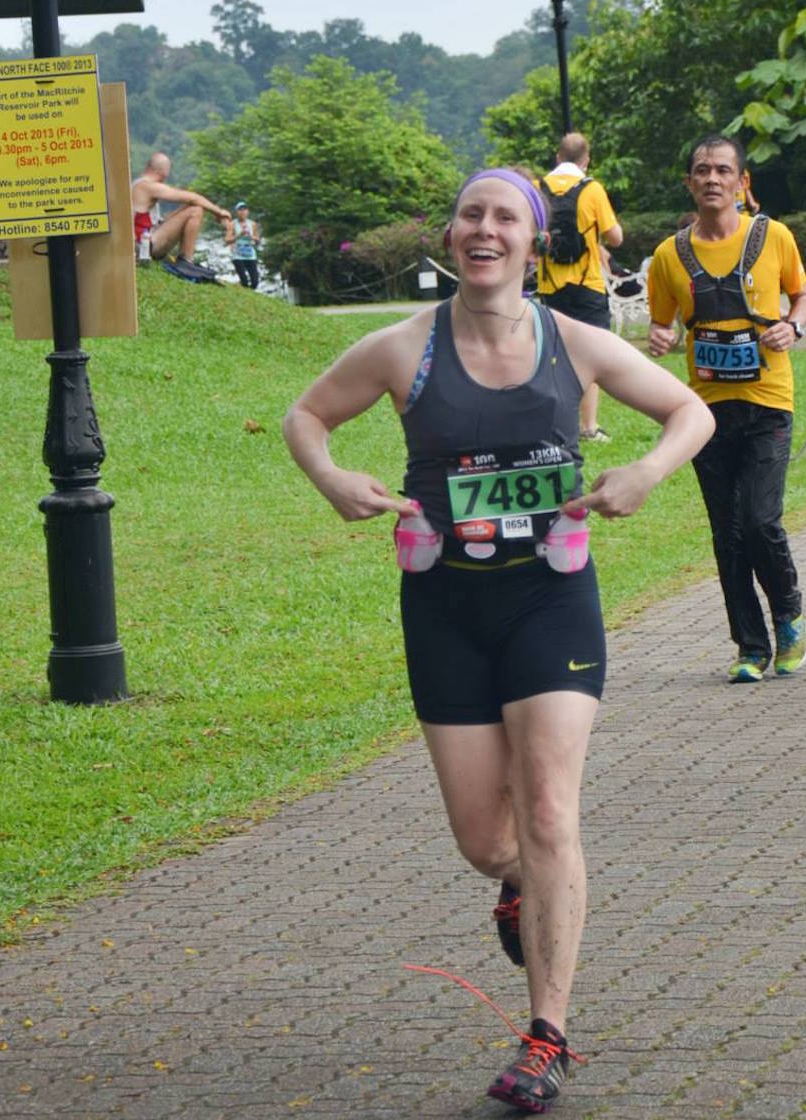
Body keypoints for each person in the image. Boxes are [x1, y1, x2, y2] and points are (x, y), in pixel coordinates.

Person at [283, 168, 713, 1113]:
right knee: (489, 839)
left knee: (553, 811)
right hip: (444, 607)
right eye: (472, 215)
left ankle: (547, 1035)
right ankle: (521, 884)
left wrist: (644, 471)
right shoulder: (404, 350)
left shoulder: (576, 342)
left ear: (535, 239)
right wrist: (332, 477)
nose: (486, 230)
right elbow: (304, 416)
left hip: (549, 602)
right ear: (452, 235)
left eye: (505, 217)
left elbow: (694, 411)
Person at [647, 134, 806, 684]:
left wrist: (794, 326)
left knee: (760, 520)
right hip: (707, 411)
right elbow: (663, 320)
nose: (712, 179)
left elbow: (801, 296)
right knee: (728, 533)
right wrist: (660, 336)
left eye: (723, 170)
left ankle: (789, 613)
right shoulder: (671, 255)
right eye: (702, 171)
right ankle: (750, 647)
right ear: (689, 183)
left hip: (768, 402)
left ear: (742, 182)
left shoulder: (775, 237)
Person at [535, 133, 624, 443]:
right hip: (587, 284)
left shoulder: (539, 188)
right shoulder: (593, 189)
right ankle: (588, 426)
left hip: (550, 285)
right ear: (586, 161)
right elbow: (616, 238)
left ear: (558, 157)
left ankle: (554, 424)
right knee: (592, 353)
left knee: (552, 355)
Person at [130, 152, 231, 267]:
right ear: (163, 171)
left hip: (147, 239)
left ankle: (185, 260)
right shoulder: (147, 186)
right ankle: (186, 262)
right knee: (195, 210)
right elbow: (194, 198)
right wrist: (218, 211)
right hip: (144, 246)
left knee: (189, 207)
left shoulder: (139, 184)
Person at [225, 200, 262, 288]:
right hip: (238, 255)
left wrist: (251, 236)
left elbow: (258, 240)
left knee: (255, 282)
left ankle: (250, 295)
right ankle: (244, 293)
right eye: (240, 210)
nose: (242, 212)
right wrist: (239, 235)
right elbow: (227, 239)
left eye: (244, 209)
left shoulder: (252, 224)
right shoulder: (232, 224)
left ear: (248, 211)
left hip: (250, 254)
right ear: (236, 212)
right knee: (244, 281)